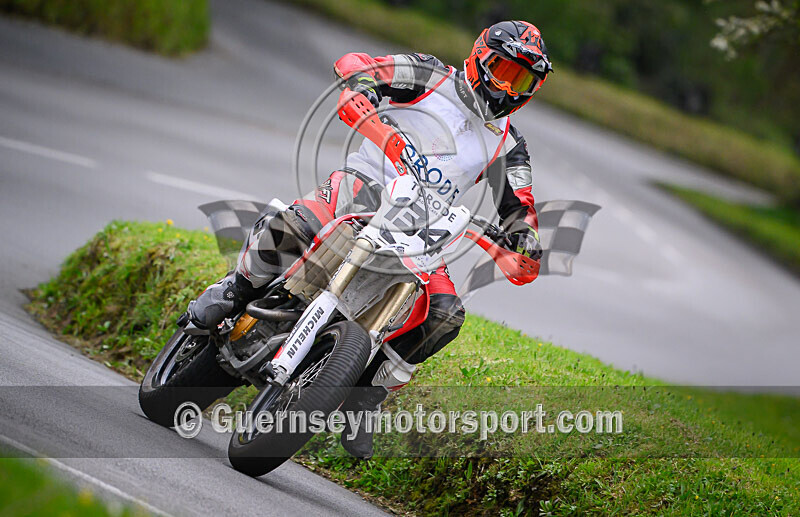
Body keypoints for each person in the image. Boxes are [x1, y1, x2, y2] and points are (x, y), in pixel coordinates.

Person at [184, 20, 551, 458]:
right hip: (365, 185)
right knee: (302, 223)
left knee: (445, 314)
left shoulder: (510, 144)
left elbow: (520, 207)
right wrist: (372, 108)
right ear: (479, 57)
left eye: (523, 79)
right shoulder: (430, 76)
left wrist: (523, 240)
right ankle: (236, 288)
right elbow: (357, 67)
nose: (510, 88)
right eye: (505, 71)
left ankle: (364, 399)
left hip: (422, 230)